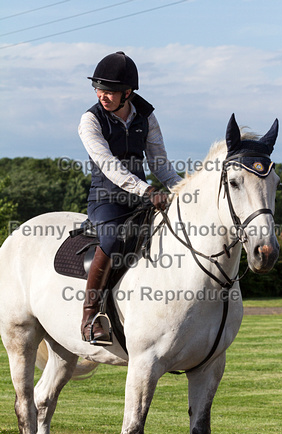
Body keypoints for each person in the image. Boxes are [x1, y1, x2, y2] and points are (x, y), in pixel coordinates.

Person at [78, 51, 182, 345]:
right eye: (98, 89)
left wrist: (183, 191)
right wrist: (148, 191)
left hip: (141, 200)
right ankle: (90, 317)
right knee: (111, 240)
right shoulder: (90, 120)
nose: (102, 96)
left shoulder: (147, 117)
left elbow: (160, 165)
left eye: (109, 91)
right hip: (105, 198)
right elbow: (108, 166)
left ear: (128, 93)